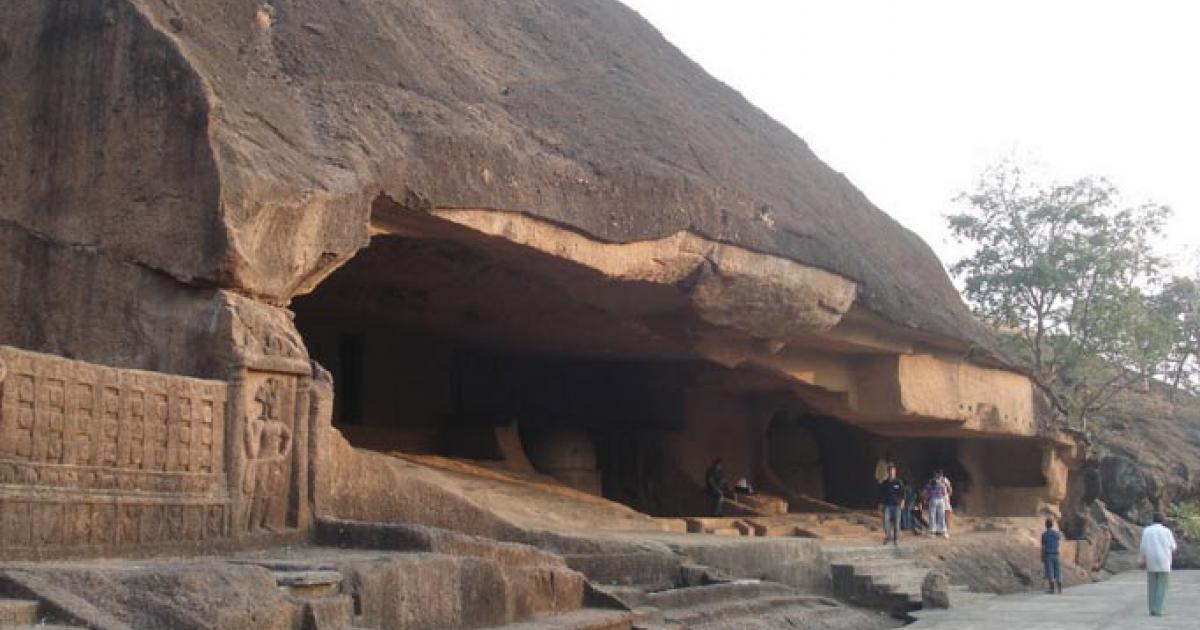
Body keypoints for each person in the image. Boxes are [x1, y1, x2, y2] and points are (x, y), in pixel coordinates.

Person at [1137, 512, 1178, 616]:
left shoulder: (1147, 531)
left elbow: (1143, 547)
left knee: (1152, 585)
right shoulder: (1167, 531)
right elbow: (1173, 547)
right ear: (1162, 520)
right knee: (1162, 585)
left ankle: (1151, 608)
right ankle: (1158, 609)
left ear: (1153, 520)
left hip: (1151, 560)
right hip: (1164, 560)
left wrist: (1141, 559)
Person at [877, 464, 905, 545]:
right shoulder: (885, 483)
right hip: (887, 506)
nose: (891, 473)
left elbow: (903, 493)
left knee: (896, 523)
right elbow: (881, 495)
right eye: (890, 471)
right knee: (886, 522)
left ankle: (896, 539)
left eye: (893, 471)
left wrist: (902, 502)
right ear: (888, 472)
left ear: (895, 472)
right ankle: (888, 537)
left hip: (896, 506)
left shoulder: (899, 482)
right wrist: (880, 505)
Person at [923, 470, 951, 538]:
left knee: (932, 516)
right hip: (941, 500)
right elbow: (944, 492)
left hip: (933, 499)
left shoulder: (930, 482)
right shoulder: (941, 483)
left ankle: (932, 532)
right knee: (941, 516)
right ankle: (944, 532)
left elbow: (925, 492)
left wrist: (926, 498)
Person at [1041, 518, 1063, 594]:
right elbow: (1059, 542)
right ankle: (1060, 588)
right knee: (1058, 571)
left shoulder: (1044, 535)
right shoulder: (1056, 534)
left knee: (1050, 571)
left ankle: (1052, 589)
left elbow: (1043, 547)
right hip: (1056, 554)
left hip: (1048, 554)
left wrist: (1042, 556)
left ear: (1046, 525)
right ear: (1052, 525)